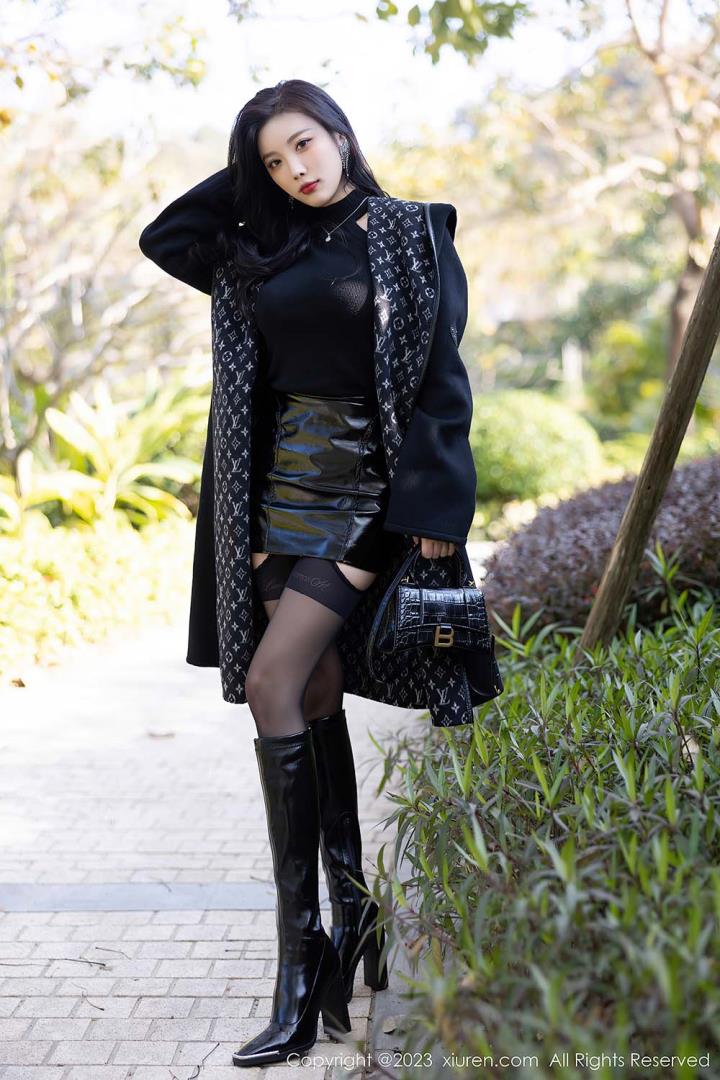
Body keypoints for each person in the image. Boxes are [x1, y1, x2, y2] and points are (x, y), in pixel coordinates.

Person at [138, 78, 475, 1067]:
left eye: (304, 145)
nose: (297, 169)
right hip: (275, 499)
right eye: (276, 161)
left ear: (340, 131)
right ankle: (356, 909)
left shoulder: (411, 233)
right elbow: (166, 236)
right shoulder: (264, 245)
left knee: (271, 682)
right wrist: (249, 172)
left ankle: (302, 960)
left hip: (364, 495)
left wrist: (434, 509)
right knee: (313, 689)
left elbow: (443, 380)